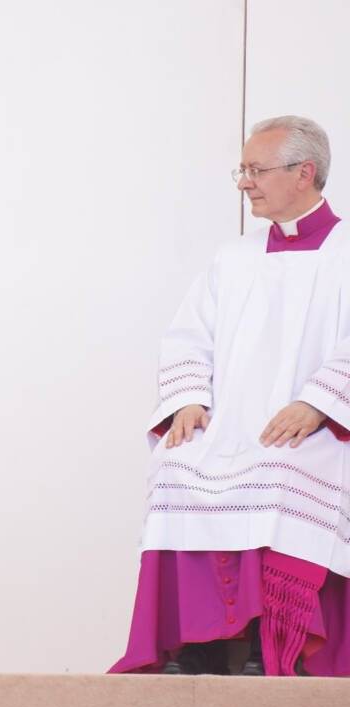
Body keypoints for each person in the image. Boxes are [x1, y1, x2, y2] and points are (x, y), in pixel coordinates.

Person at [113, 115, 350, 676]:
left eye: (257, 170)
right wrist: (190, 398)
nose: (245, 182)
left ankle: (269, 648)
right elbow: (188, 335)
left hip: (316, 431)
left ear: (304, 173)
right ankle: (200, 645)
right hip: (232, 426)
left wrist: (318, 401)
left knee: (282, 476)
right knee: (176, 468)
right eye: (242, 170)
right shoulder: (233, 258)